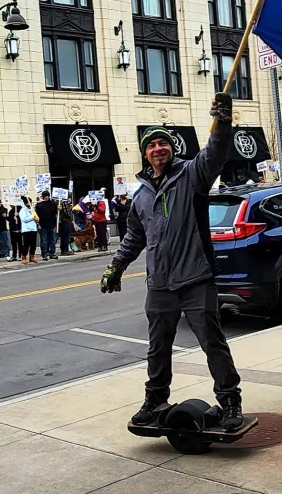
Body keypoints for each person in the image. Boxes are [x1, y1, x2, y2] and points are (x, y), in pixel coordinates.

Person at [100, 93, 243, 431]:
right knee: (157, 347)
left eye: (163, 143)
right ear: (145, 154)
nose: (158, 148)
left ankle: (230, 402)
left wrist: (223, 122)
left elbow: (216, 153)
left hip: (196, 278)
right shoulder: (141, 197)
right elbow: (135, 238)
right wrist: (116, 266)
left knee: (212, 343)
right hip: (160, 285)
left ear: (171, 149)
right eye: (152, 145)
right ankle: (155, 399)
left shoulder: (193, 175)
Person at [35, 191, 58, 260]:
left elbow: (56, 213)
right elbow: (36, 214)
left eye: (45, 196)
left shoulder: (53, 204)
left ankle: (52, 253)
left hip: (52, 225)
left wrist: (59, 209)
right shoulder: (39, 205)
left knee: (53, 240)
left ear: (48, 196)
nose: (44, 198)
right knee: (44, 241)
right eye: (43, 197)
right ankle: (44, 254)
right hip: (43, 225)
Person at [19, 196, 39, 264]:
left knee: (33, 244)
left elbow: (36, 218)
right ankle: (24, 257)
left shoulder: (32, 210)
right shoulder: (22, 210)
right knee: (26, 244)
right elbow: (24, 219)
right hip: (27, 230)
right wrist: (32, 216)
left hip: (33, 229)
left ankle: (32, 257)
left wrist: (36, 218)